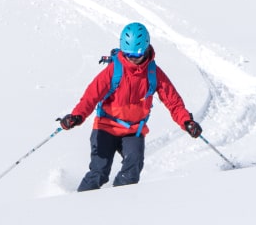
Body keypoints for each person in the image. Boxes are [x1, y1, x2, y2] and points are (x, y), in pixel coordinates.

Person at [59, 22, 203, 191]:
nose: (132, 59)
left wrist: (187, 121)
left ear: (146, 49)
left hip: (133, 130)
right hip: (106, 126)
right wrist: (76, 116)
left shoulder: (153, 73)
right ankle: (77, 206)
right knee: (99, 171)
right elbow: (91, 96)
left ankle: (118, 207)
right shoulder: (114, 71)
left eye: (137, 55)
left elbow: (173, 102)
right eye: (128, 55)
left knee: (132, 171)